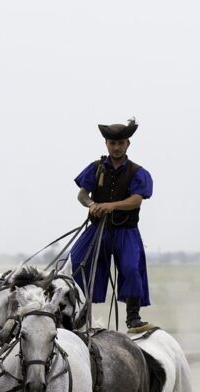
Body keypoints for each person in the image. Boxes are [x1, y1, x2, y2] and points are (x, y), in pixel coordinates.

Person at [69, 118, 154, 330]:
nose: (116, 147)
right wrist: (91, 204)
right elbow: (82, 194)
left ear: (128, 145)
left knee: (131, 268)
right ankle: (80, 312)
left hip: (126, 232)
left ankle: (133, 317)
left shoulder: (137, 172)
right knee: (76, 261)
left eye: (121, 143)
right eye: (112, 143)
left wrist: (110, 206)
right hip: (99, 230)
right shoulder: (96, 168)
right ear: (106, 144)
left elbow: (137, 199)